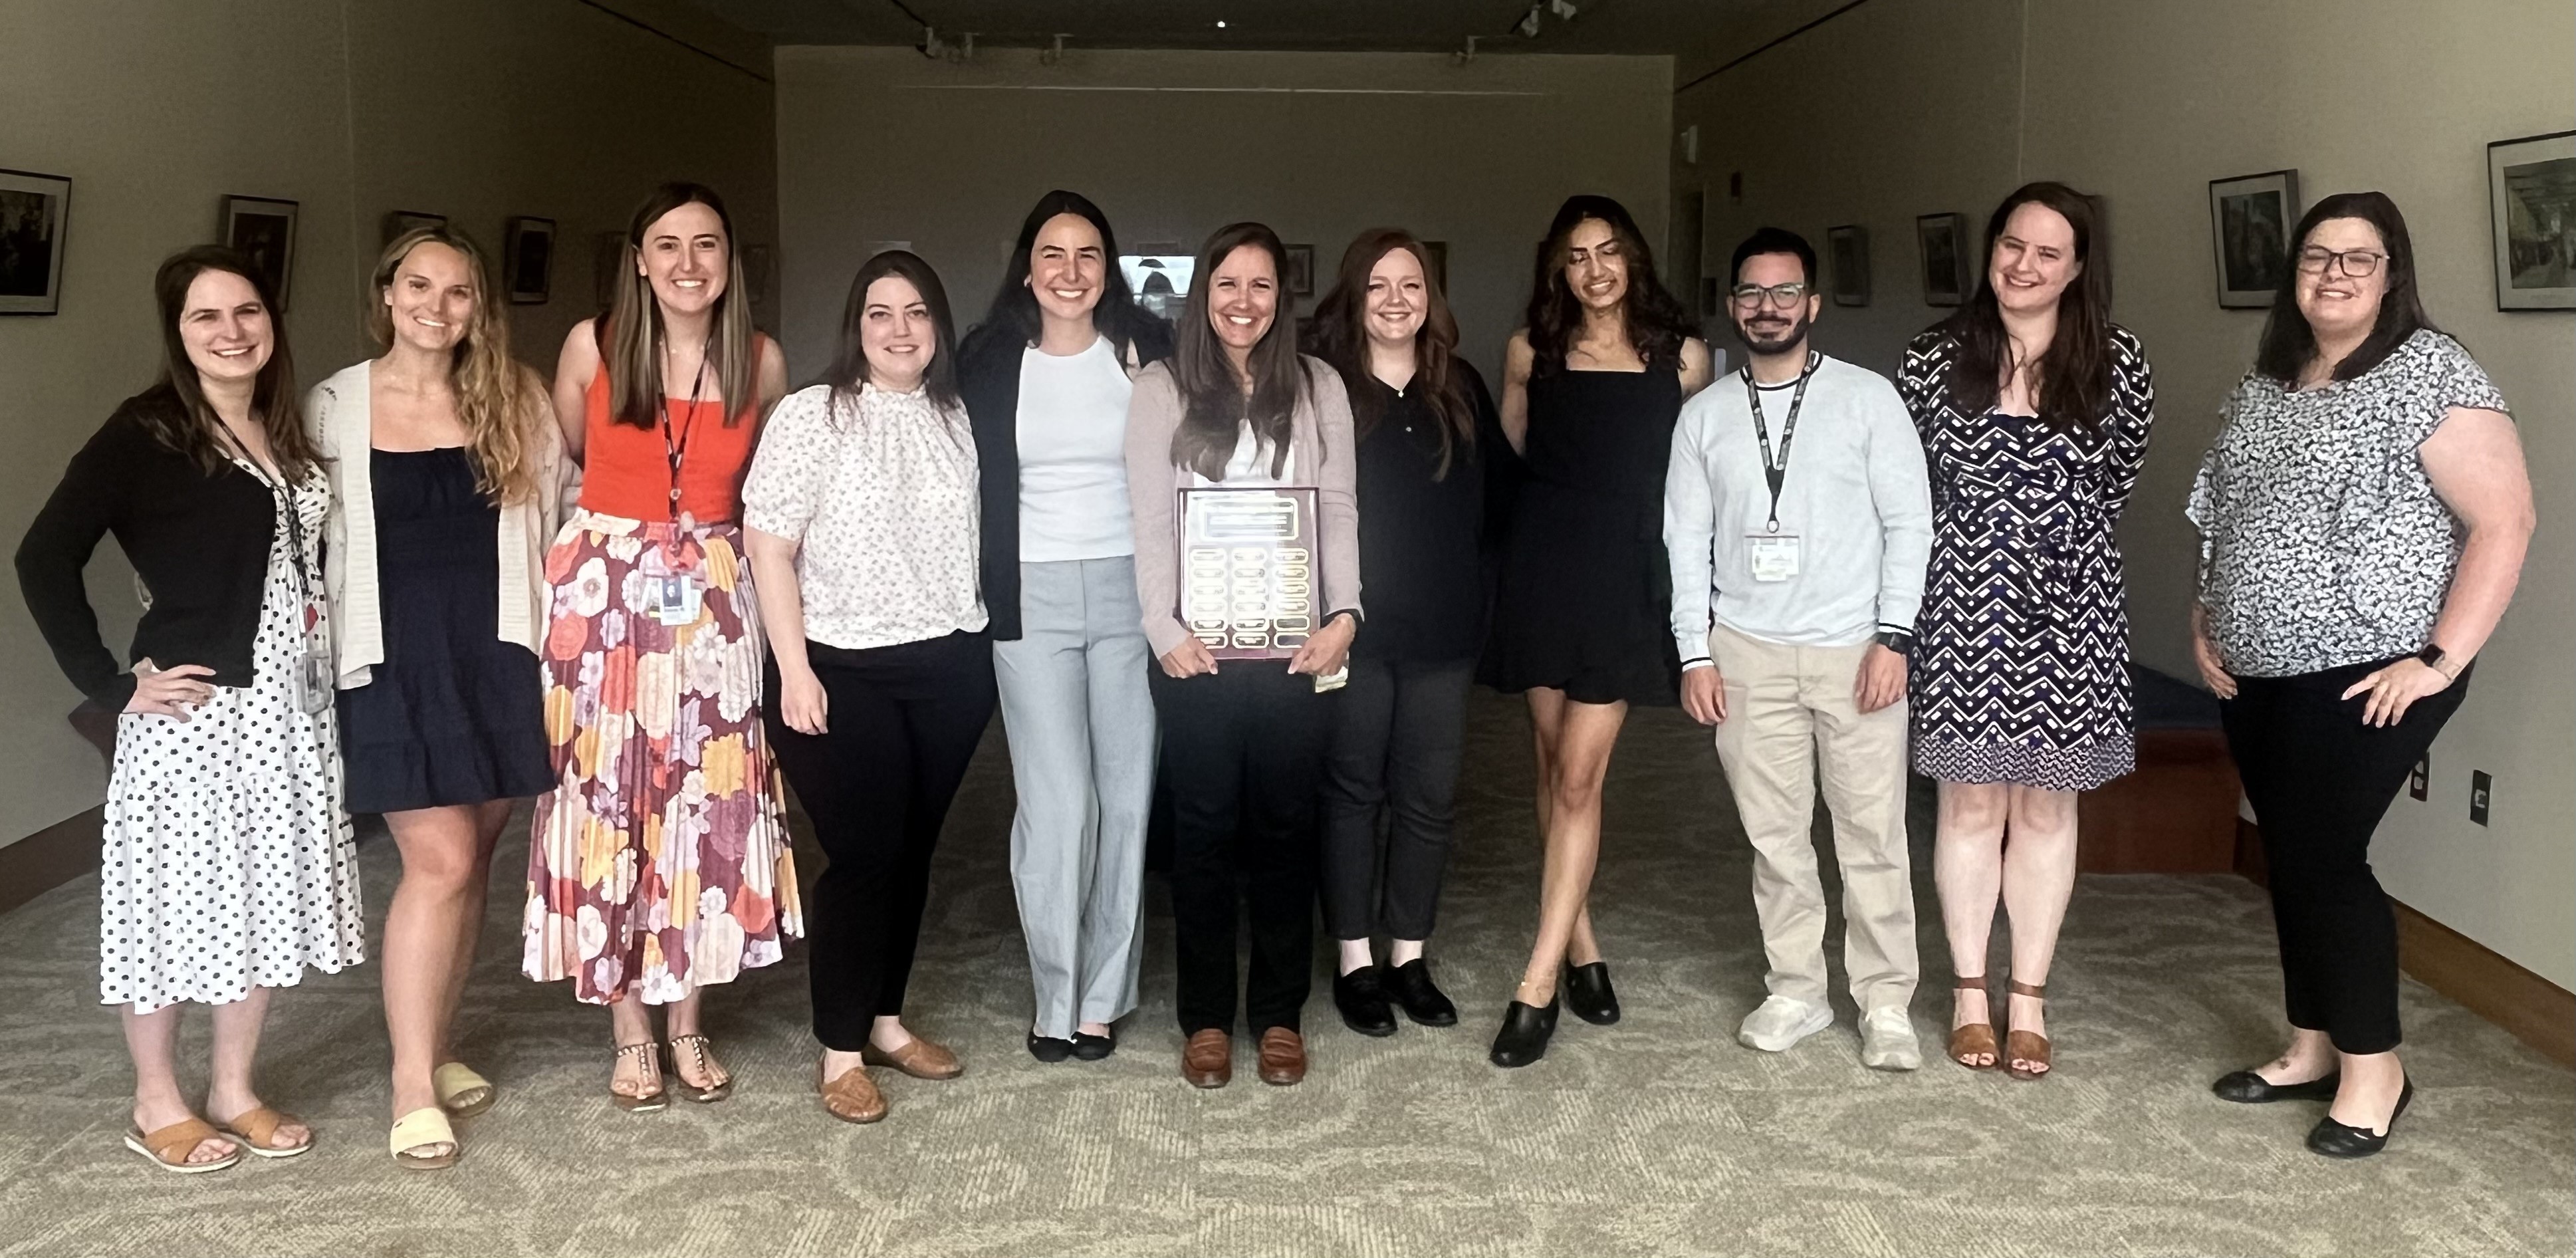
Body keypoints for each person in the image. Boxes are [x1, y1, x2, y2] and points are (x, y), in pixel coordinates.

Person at [2189, 192, 2531, 1158]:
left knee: (2325, 856)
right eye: (2314, 256)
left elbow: (2505, 521)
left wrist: (2438, 660)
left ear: (2391, 274)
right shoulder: (2270, 378)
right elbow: (2224, 509)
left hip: (2369, 670)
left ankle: (2374, 1070)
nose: (2332, 274)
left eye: (2357, 258)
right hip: (2254, 668)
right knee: (2291, 853)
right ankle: (2309, 1045)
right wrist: (2205, 615)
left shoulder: (2430, 372)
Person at [17, 247, 362, 1172]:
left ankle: (234, 1088)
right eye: (205, 316)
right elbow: (42, 556)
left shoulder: (282, 423)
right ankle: (156, 1098)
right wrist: (109, 683)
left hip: (288, 710)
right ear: (177, 332)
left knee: (260, 894)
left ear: (271, 320)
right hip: (195, 714)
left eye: (247, 311)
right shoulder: (148, 431)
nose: (231, 332)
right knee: (174, 903)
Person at [523, 182, 799, 1111]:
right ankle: (629, 1027)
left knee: (705, 798)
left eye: (706, 244)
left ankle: (686, 1019)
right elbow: (569, 457)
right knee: (609, 798)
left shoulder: (760, 360)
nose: (688, 263)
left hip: (714, 594)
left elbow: (773, 488)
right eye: (668, 245)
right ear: (638, 261)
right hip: (604, 599)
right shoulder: (593, 345)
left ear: (730, 261)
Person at [309, 227, 561, 1168]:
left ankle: (439, 1045)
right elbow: (294, 533)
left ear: (477, 307)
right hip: (390, 658)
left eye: (457, 292)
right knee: (441, 858)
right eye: (418, 286)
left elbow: (559, 515)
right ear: (387, 293)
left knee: (476, 856)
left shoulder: (517, 396)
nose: (436, 307)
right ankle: (411, 1084)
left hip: (498, 650)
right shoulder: (335, 404)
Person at [1899, 182, 2154, 1082]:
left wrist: (2046, 543)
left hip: (2070, 607)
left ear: (2077, 267)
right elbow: (1905, 487)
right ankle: (1969, 992)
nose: (2023, 265)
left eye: (2048, 252)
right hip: (1959, 601)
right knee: (1969, 804)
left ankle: (2029, 996)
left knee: (2046, 807)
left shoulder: (2118, 361)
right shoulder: (1932, 357)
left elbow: (2115, 483)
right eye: (2011, 244)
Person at [1665, 227, 1931, 1070]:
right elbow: (1684, 540)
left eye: (1785, 292)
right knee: (1774, 838)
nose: (1768, 307)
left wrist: (1894, 636)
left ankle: (1884, 1001)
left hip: (1855, 652)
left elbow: (1910, 523)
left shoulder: (1866, 399)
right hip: (1745, 653)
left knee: (1872, 836)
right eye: (1751, 292)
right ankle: (1796, 988)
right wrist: (1693, 652)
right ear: (1731, 305)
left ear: (1812, 303)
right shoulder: (1704, 415)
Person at [745, 251, 993, 1124]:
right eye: (880, 312)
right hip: (839, 665)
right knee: (864, 854)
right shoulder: (812, 414)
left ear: (938, 327)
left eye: (917, 312)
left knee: (913, 852)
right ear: (856, 326)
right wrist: (794, 669)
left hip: (949, 664)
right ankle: (840, 1050)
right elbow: (767, 545)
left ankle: (886, 1020)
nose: (899, 329)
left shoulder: (957, 415)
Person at [1127, 221, 1360, 1088]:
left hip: (1298, 647)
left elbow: (1338, 506)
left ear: (1280, 297)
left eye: (1261, 285)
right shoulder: (1160, 388)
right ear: (1203, 294)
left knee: (1285, 829)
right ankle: (1204, 1017)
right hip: (1197, 649)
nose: (1243, 301)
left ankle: (1276, 1012)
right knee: (1202, 833)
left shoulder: (1318, 384)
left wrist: (1345, 612)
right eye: (1227, 283)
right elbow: (1150, 516)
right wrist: (1160, 627)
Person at [1484, 195, 1712, 1068]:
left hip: (1625, 576)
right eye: (1576, 256)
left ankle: (1536, 981)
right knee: (1550, 765)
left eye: (1608, 251)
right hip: (1543, 568)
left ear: (1633, 258)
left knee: (1580, 777)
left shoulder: (1681, 356)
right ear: (1558, 270)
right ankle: (1580, 943)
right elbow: (1517, 446)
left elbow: (1693, 475)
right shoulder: (1529, 351)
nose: (1594, 269)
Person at [957, 191, 1173, 1064]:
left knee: (1125, 800)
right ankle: (1055, 992)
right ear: (1026, 268)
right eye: (1053, 253)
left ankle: (1102, 996)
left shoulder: (1147, 353)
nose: (1070, 271)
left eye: (1088, 254)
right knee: (1058, 806)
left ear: (1107, 269)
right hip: (1029, 598)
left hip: (1132, 595)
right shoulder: (986, 359)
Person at [1304, 227, 1508, 1036]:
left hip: (1442, 633)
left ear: (1431, 298)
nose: (1395, 300)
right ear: (1354, 297)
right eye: (1378, 285)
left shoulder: (1458, 384)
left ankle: (1407, 955)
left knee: (1428, 798)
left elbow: (1496, 503)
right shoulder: (1322, 385)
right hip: (1350, 630)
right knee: (1352, 793)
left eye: (1411, 285)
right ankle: (1354, 959)